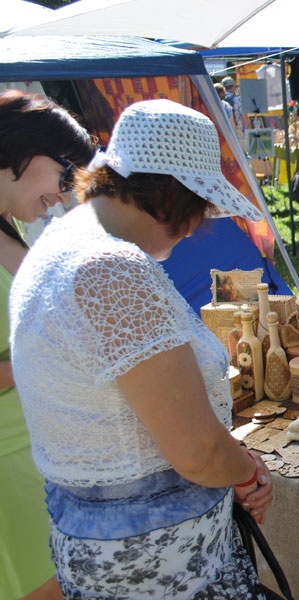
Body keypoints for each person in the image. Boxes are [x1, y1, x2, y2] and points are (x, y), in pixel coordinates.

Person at [9, 99, 274, 598]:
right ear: (175, 197)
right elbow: (196, 452)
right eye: (203, 208)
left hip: (104, 547)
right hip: (161, 564)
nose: (201, 226)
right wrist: (247, 470)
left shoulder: (60, 240)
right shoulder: (111, 270)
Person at [0, 90, 93, 600]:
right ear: (25, 152)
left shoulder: (11, 221)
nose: (64, 194)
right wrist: (52, 353)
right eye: (65, 176)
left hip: (35, 450)